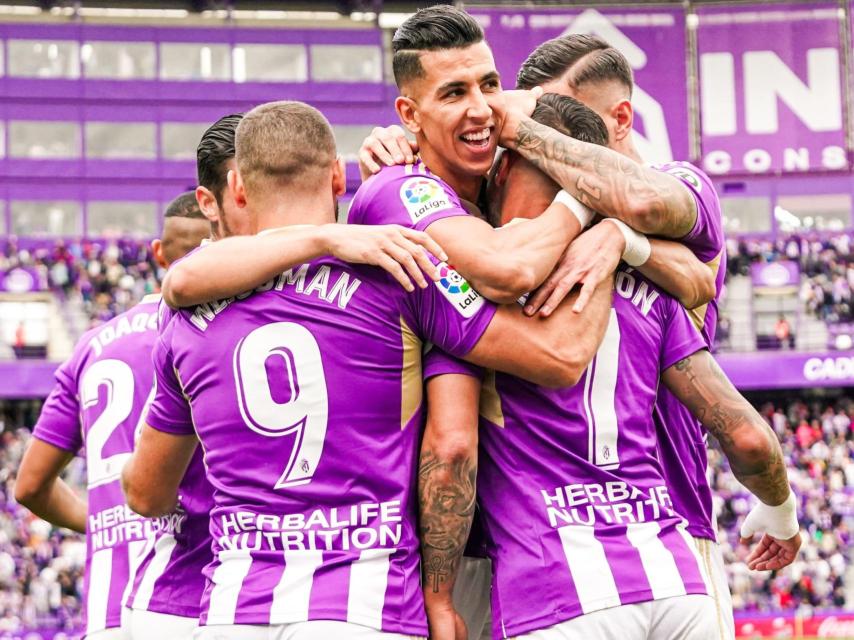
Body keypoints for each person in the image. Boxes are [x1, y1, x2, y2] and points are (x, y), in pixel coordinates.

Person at [122, 100, 612, 639]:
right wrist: (598, 219)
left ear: (236, 189)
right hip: (370, 608)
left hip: (234, 611)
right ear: (337, 176)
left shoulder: (187, 314)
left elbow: (146, 493)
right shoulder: (404, 273)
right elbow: (459, 438)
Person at [421, 98, 800, 639]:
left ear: (501, 166)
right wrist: (781, 514)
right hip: (672, 580)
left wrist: (439, 591)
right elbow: (746, 436)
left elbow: (452, 448)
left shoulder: (480, 283)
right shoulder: (651, 285)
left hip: (554, 587)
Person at [14, 192, 211, 639]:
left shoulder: (92, 344)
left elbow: (29, 486)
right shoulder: (212, 333)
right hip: (187, 601)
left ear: (158, 254)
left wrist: (105, 520)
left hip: (107, 615)